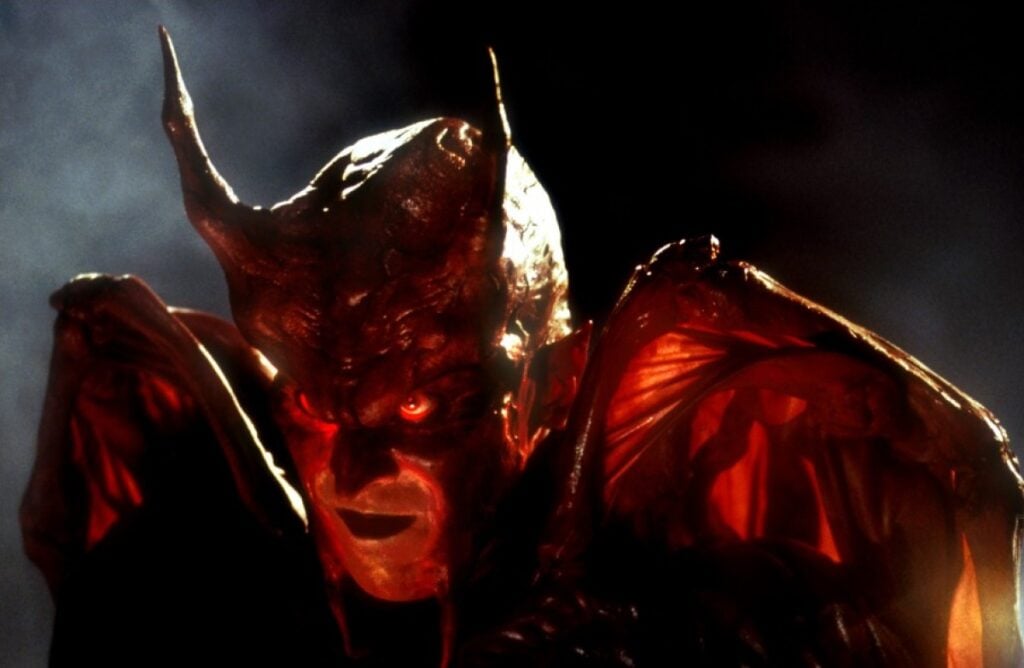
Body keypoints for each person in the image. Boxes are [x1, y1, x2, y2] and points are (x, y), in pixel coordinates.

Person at [23, 28, 1024, 666]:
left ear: (552, 383)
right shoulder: (210, 589)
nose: (355, 470)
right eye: (317, 407)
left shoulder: (708, 606)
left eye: (423, 406)